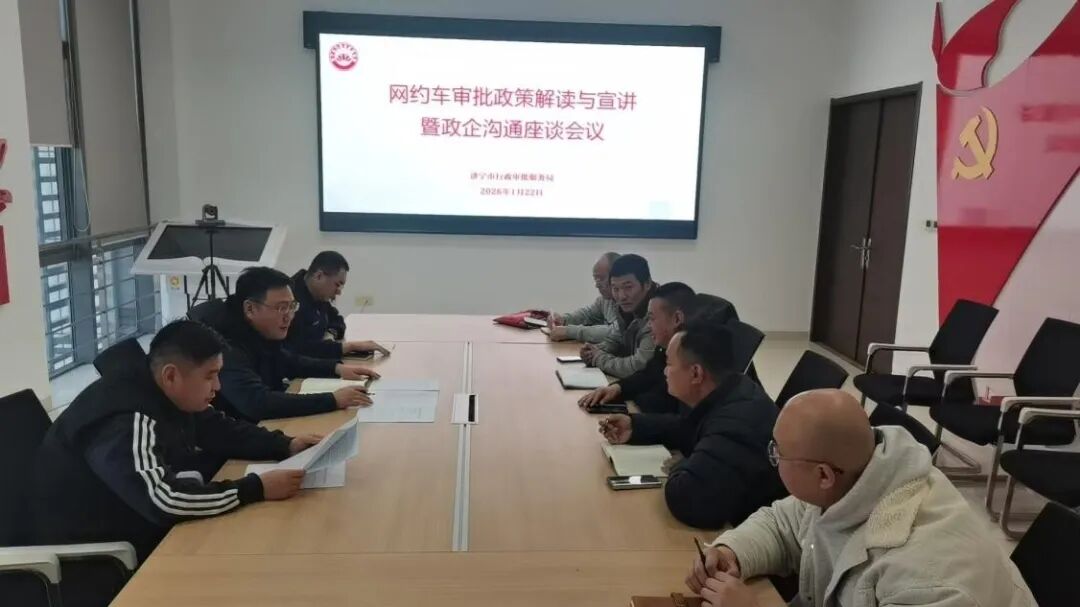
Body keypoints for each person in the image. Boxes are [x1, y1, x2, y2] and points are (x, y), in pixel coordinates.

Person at [687, 389, 1037, 607]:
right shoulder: (853, 473)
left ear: (823, 475)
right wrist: (732, 552)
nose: (773, 459)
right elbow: (782, 524)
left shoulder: (928, 578)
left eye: (778, 453)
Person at [32, 320, 320, 562]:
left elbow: (219, 429)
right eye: (210, 376)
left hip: (133, 518)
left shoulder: (162, 388)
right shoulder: (126, 418)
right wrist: (254, 488)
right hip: (98, 552)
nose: (218, 386)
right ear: (171, 375)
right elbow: (164, 501)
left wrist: (285, 444)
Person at [599, 322, 784, 529]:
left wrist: (683, 465)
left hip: (747, 532)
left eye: (669, 364)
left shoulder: (736, 424)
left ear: (696, 373)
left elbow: (689, 501)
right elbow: (689, 427)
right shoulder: (732, 388)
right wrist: (634, 426)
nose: (665, 372)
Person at [216, 266, 378, 421]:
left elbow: (288, 361)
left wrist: (337, 368)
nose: (289, 316)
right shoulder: (225, 346)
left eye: (292, 306)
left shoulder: (259, 331)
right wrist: (333, 400)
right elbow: (257, 402)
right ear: (250, 309)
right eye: (281, 308)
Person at [578, 281, 696, 414]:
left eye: (652, 318)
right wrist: (617, 388)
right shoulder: (665, 347)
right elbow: (648, 375)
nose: (648, 325)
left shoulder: (692, 359)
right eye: (615, 288)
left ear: (677, 319)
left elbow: (661, 404)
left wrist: (632, 417)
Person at [288, 251, 390, 359]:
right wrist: (350, 347)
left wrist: (330, 334)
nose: (339, 292)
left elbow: (337, 321)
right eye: (337, 284)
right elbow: (299, 350)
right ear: (319, 276)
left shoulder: (317, 295)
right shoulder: (290, 301)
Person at [581, 254, 657, 378]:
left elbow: (638, 366)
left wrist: (598, 358)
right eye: (615, 289)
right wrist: (592, 351)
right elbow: (615, 339)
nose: (621, 296)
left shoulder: (657, 314)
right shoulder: (624, 307)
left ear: (647, 283)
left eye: (628, 287)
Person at [547, 252, 621, 343]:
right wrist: (564, 320)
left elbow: (616, 333)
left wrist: (569, 332)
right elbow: (587, 314)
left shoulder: (629, 303)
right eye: (596, 279)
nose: (597, 285)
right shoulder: (605, 300)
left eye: (601, 278)